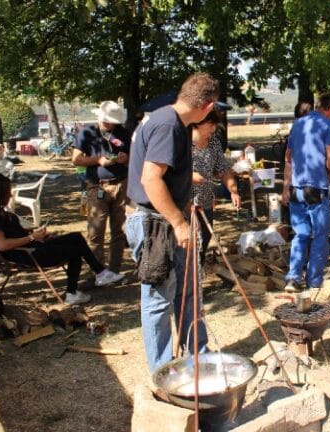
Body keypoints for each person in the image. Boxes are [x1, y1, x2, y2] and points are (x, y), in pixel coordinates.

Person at [125, 72, 219, 373]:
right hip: (156, 226)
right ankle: (165, 372)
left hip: (168, 218)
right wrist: (178, 222)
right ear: (207, 106)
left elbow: (168, 177)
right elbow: (150, 180)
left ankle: (198, 357)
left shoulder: (174, 122)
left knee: (188, 290)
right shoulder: (168, 125)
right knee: (158, 300)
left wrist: (184, 202)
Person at [0, 174, 124, 305]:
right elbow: (3, 245)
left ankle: (99, 273)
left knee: (76, 237)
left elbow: (14, 233)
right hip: (26, 254)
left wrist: (37, 234)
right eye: (8, 192)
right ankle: (74, 291)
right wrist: (32, 237)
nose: (10, 196)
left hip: (32, 246)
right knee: (74, 250)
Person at [281, 94, 330, 292]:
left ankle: (293, 278)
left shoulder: (297, 124)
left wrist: (285, 187)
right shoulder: (327, 124)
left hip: (296, 189)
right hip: (317, 189)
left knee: (300, 234)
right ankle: (314, 280)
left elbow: (288, 157)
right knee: (320, 235)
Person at [72, 101, 131, 276]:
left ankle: (114, 270)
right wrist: (98, 160)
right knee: (96, 232)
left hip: (120, 184)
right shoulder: (87, 133)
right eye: (108, 120)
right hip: (97, 185)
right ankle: (97, 272)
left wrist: (123, 158)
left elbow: (131, 156)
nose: (110, 123)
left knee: (119, 231)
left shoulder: (123, 132)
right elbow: (76, 160)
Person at [191, 109, 240, 259]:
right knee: (189, 247)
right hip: (186, 206)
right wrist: (190, 176)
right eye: (210, 124)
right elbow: (171, 172)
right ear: (197, 123)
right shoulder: (182, 142)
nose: (213, 129)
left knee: (203, 242)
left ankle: (197, 274)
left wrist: (233, 190)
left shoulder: (213, 143)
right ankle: (189, 279)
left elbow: (223, 170)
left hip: (205, 203)